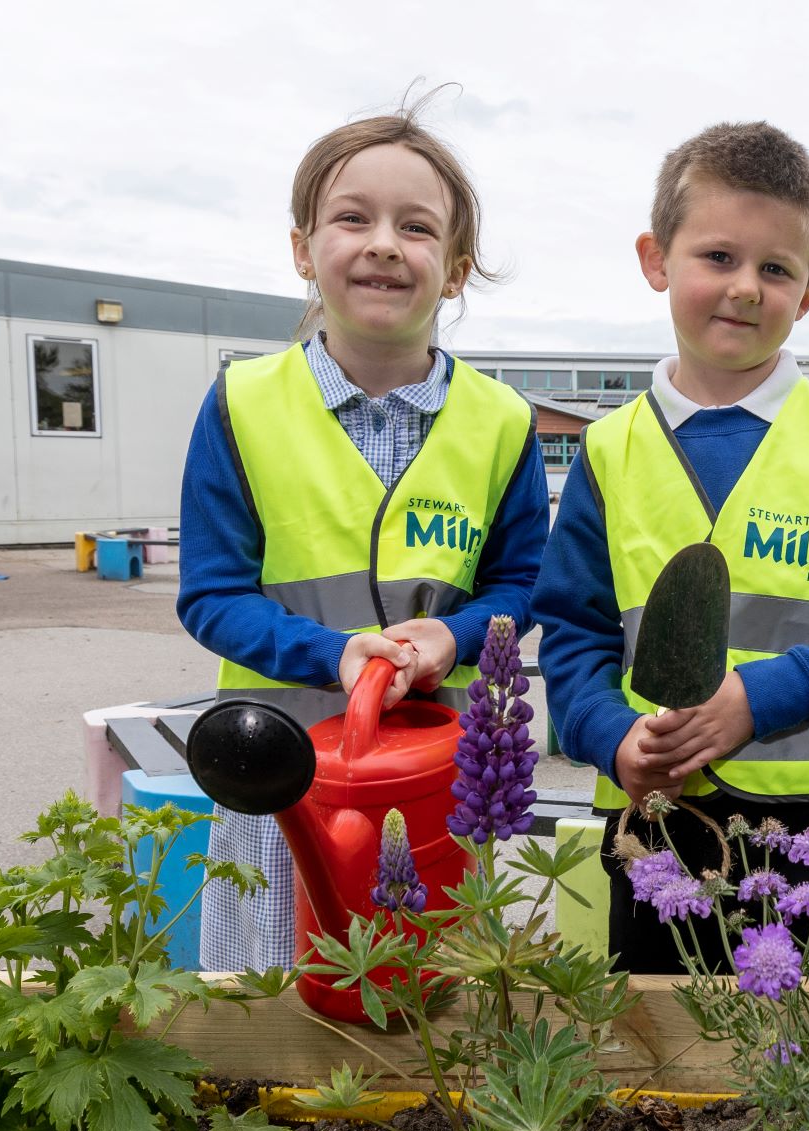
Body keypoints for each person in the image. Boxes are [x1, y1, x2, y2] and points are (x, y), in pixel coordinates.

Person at [532, 121, 809, 973]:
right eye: (717, 257)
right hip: (655, 817)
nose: (745, 288)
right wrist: (612, 738)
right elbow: (571, 634)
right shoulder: (607, 453)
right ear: (656, 260)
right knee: (664, 1066)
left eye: (775, 269)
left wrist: (759, 696)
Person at [177, 103, 547, 970]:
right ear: (304, 249)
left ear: (454, 271)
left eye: (415, 228)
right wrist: (330, 653)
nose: (384, 243)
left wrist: (455, 635)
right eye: (353, 217)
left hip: (438, 780)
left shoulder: (501, 421)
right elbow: (211, 597)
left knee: (431, 1008)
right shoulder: (242, 403)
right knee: (274, 1008)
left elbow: (524, 584)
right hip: (283, 777)